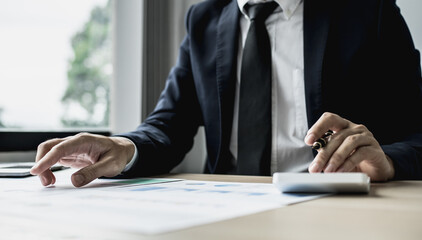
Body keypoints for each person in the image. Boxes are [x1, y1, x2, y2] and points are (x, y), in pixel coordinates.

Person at [30, 0, 422, 187]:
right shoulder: (203, 19)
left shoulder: (369, 12)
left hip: (336, 209)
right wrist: (123, 146)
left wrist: (385, 160)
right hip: (226, 205)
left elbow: (417, 133)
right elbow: (169, 125)